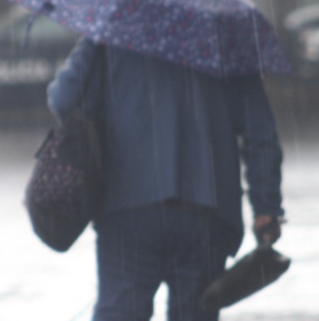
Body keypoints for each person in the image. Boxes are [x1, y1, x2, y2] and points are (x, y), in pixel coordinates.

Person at [47, 37, 285, 321]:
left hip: (129, 204)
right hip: (207, 207)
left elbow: (64, 100)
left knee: (121, 311)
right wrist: (266, 207)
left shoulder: (112, 33)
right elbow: (260, 135)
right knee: (195, 312)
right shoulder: (224, 37)